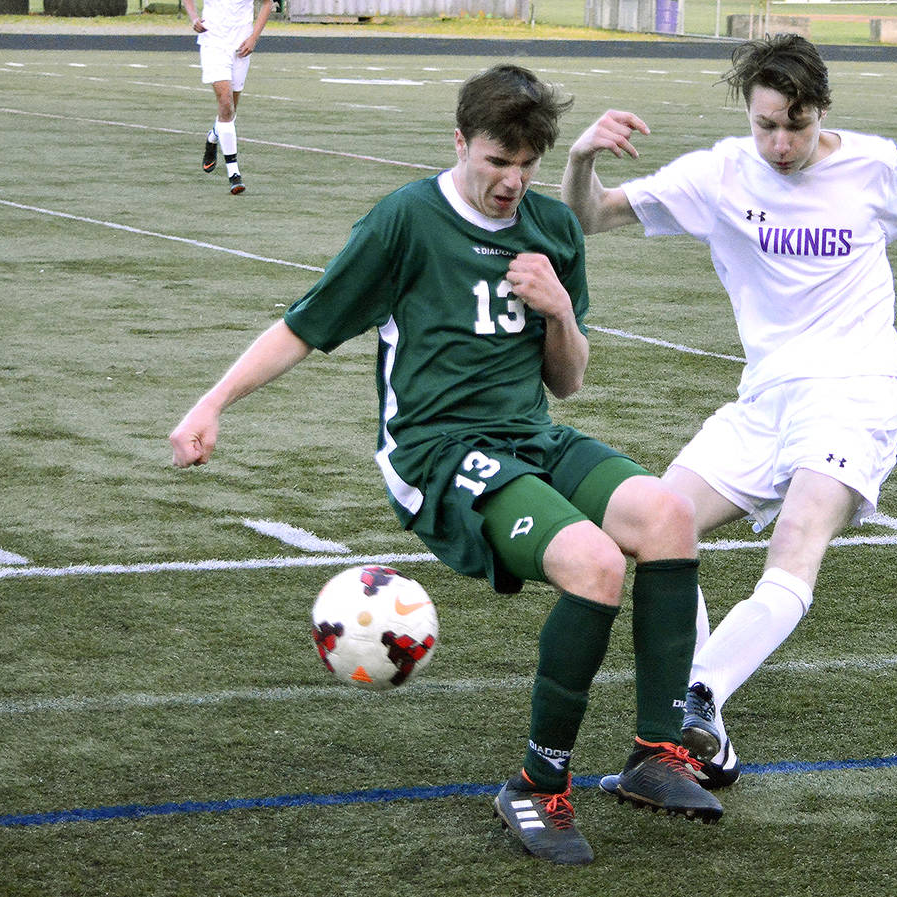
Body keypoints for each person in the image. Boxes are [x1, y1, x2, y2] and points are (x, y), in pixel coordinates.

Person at [169, 64, 722, 865]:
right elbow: (305, 324)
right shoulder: (406, 220)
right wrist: (210, 404)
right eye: (497, 161)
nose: (511, 181)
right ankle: (539, 786)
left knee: (668, 514)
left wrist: (560, 308)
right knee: (595, 562)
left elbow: (566, 381)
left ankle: (656, 754)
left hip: (526, 433)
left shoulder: (552, 229)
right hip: (437, 449)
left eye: (527, 165)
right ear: (461, 142)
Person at [561, 33, 897, 790]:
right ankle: (705, 728)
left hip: (858, 387)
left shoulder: (874, 164)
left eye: (797, 123)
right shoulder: (718, 173)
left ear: (822, 110)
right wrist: (582, 156)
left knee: (796, 540)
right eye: (766, 124)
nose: (781, 142)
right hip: (766, 396)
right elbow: (591, 217)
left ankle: (699, 694)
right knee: (652, 523)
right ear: (747, 115)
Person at [182, 0, 274, 193]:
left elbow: (267, 3)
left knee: (230, 112)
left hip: (241, 46)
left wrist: (253, 38)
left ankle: (214, 136)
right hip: (213, 42)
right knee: (225, 103)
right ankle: (234, 173)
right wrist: (194, 18)